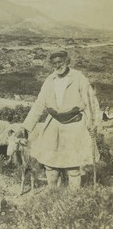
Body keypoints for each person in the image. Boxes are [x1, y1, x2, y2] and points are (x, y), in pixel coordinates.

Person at [18, 50, 100, 189]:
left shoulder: (79, 78)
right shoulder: (50, 80)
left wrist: (94, 124)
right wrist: (26, 126)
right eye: (54, 63)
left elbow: (91, 103)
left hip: (74, 125)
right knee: (50, 163)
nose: (57, 66)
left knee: (73, 165)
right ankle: (53, 193)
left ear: (67, 62)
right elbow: (39, 104)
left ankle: (73, 196)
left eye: (60, 62)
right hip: (54, 124)